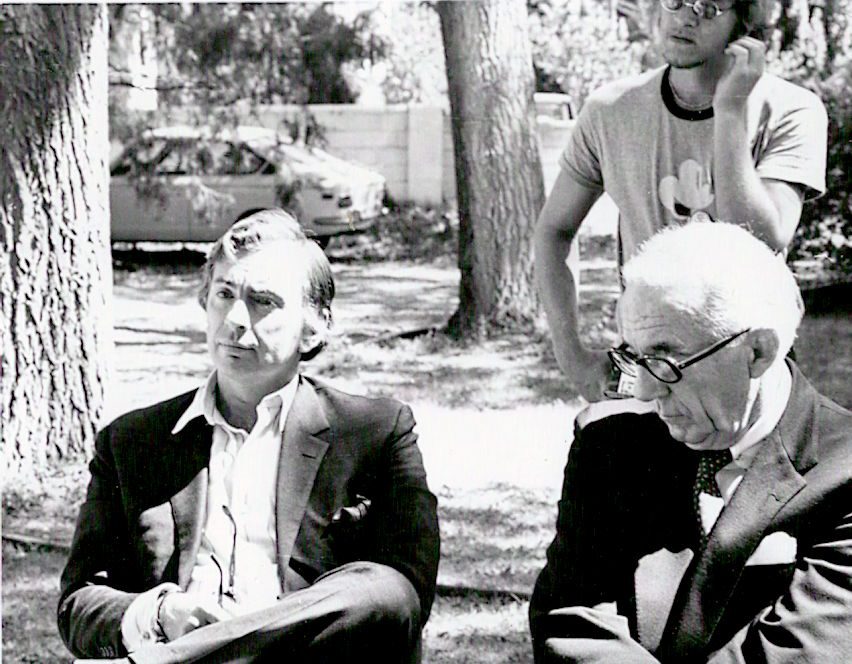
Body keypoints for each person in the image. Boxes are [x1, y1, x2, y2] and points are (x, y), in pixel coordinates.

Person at [58, 209, 440, 664]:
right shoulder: (132, 441)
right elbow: (79, 602)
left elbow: (403, 595)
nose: (236, 318)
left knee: (378, 585)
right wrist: (160, 612)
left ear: (314, 326)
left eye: (263, 301)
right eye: (224, 294)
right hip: (172, 640)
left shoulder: (376, 432)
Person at [529, 221, 852, 663]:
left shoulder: (842, 471)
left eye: (666, 361)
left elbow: (803, 654)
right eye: (634, 357)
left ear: (757, 352)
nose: (644, 390)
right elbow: (574, 622)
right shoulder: (610, 445)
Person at [534, 0, 827, 402]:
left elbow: (760, 239)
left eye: (708, 7)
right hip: (647, 363)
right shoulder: (609, 109)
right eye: (675, 1)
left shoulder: (793, 109)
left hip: (746, 364)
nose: (686, 17)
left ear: (744, 20)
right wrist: (571, 356)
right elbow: (554, 231)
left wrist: (729, 113)